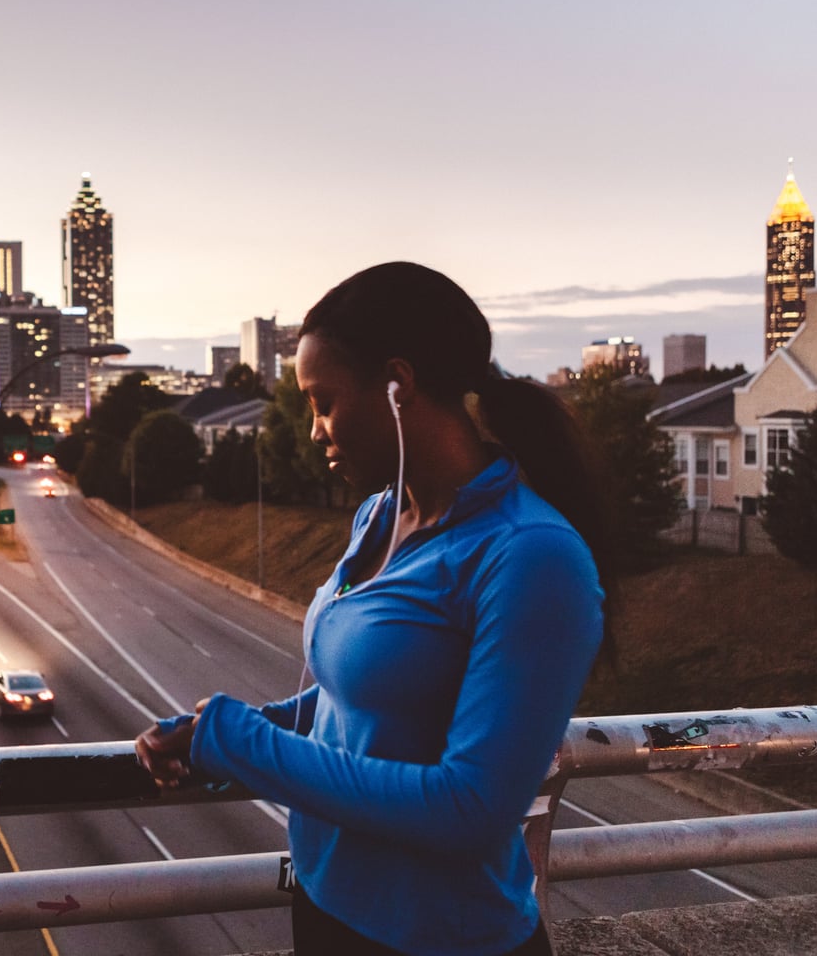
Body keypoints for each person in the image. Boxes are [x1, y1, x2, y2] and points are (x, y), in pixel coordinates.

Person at [136, 261, 612, 956]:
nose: (314, 431)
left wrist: (242, 743)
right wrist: (223, 732)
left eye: (323, 402)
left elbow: (470, 809)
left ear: (398, 384)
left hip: (441, 940)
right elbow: (358, 699)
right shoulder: (380, 518)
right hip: (326, 906)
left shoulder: (530, 554)